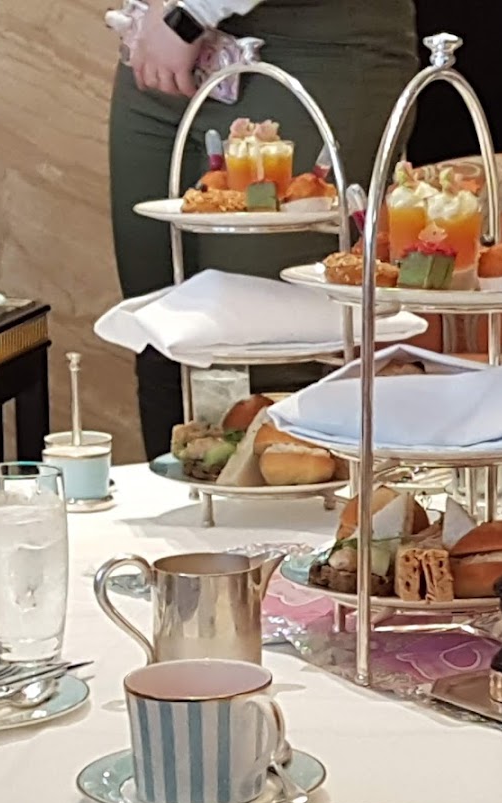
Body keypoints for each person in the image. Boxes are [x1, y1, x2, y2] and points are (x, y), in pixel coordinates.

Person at [108, 0, 417, 460]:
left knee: (267, 352)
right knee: (163, 338)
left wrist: (188, 13)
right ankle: (189, 502)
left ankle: (288, 508)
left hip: (311, 43)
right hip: (156, 44)